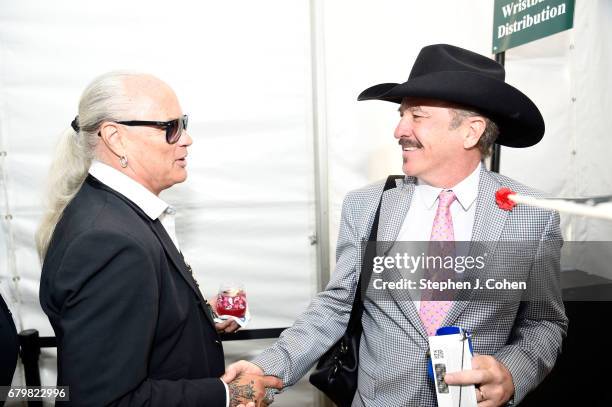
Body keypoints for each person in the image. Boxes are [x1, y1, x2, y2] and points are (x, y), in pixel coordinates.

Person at [223, 44, 568, 406]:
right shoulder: (367, 205)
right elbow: (335, 306)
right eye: (402, 114)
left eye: (416, 116)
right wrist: (268, 368)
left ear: (471, 131)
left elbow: (544, 324)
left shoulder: (532, 215)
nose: (398, 129)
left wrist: (512, 373)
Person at [37, 72, 281, 406]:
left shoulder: (113, 212)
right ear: (115, 138)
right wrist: (229, 393)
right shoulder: (109, 241)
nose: (186, 139)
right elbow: (104, 401)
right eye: (170, 127)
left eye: (183, 123)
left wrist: (195, 317)